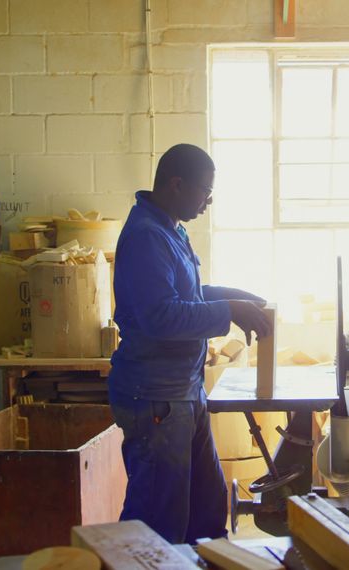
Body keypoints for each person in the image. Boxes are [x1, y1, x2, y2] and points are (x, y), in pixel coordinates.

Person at [109, 143, 272, 544]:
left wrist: (235, 297)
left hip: (184, 391)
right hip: (155, 396)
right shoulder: (147, 236)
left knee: (207, 506)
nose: (208, 201)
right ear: (177, 184)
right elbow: (161, 315)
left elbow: (189, 294)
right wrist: (228, 310)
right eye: (205, 191)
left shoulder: (170, 228)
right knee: (157, 518)